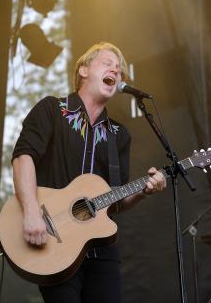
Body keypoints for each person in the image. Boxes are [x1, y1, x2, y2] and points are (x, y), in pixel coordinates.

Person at [12, 42, 166, 303]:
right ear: (83, 70)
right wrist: (30, 211)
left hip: (101, 251)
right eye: (108, 64)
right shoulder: (52, 109)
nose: (115, 72)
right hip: (54, 241)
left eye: (119, 71)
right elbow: (23, 157)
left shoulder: (119, 134)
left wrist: (143, 191)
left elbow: (116, 201)